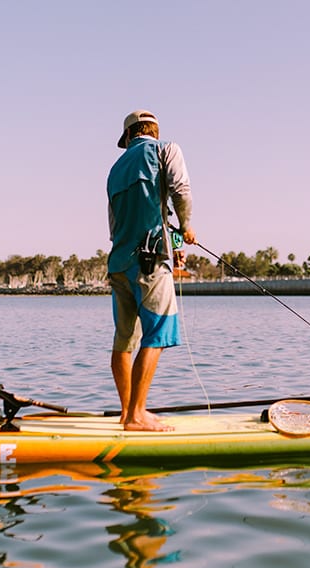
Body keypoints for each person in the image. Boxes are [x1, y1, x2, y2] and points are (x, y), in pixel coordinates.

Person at [106, 109, 196, 431]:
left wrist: (174, 242)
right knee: (157, 334)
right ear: (153, 132)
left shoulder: (115, 169)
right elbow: (181, 189)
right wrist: (186, 227)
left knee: (124, 340)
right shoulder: (165, 149)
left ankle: (126, 413)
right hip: (151, 263)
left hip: (119, 264)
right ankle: (137, 414)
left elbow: (115, 225)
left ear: (129, 136)